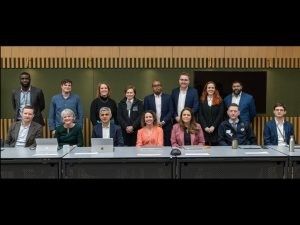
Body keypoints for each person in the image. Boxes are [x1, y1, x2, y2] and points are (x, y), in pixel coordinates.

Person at [143, 80, 173, 146]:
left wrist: (163, 122)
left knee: (167, 145)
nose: (157, 87)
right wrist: (154, 122)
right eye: (155, 86)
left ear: (161, 87)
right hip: (152, 126)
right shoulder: (147, 98)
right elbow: (146, 112)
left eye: (158, 85)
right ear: (152, 88)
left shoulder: (168, 97)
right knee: (154, 145)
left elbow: (171, 111)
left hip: (166, 126)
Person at [198, 81, 224, 146]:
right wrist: (205, 127)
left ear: (215, 89)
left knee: (216, 148)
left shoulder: (220, 100)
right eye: (209, 87)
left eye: (212, 87)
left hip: (216, 129)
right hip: (205, 129)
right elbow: (200, 115)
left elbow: (220, 115)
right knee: (205, 148)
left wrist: (213, 126)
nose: (211, 89)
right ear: (206, 89)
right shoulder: (202, 100)